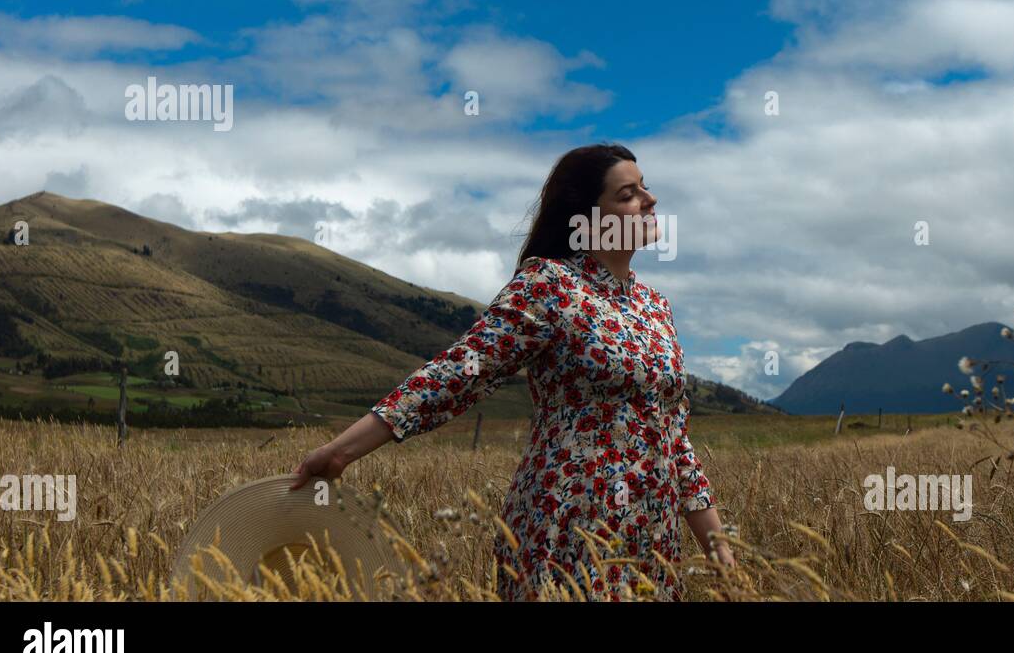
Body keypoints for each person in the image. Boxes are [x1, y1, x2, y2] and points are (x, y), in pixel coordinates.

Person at [291, 142, 734, 601]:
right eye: (627, 194)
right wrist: (342, 451)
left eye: (645, 187)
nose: (650, 199)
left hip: (652, 539)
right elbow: (457, 374)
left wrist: (716, 544)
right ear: (585, 218)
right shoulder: (550, 285)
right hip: (570, 526)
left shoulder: (655, 307)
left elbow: (673, 436)